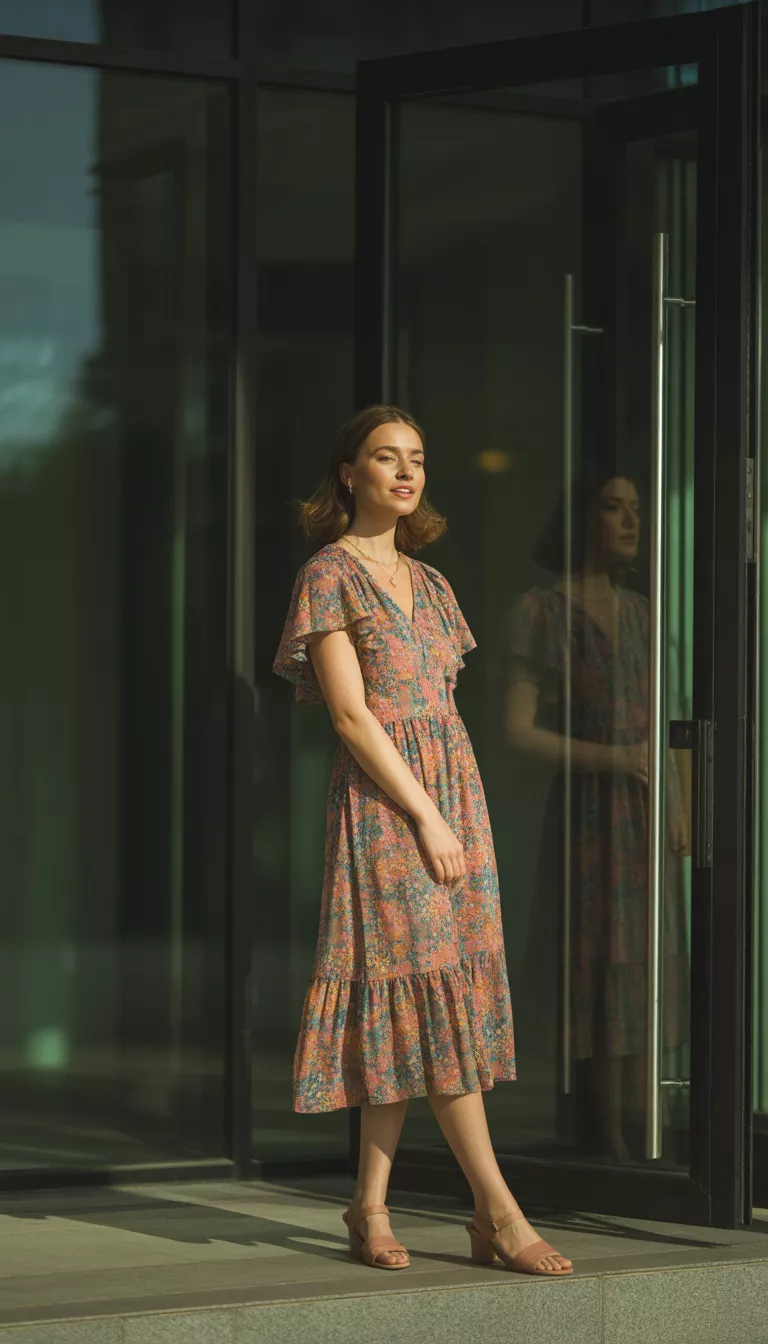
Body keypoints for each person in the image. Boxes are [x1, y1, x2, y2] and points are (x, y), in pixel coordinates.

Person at [272, 405, 573, 1275]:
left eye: (417, 459)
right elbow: (351, 717)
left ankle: (367, 1207)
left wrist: (453, 812)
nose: (405, 473)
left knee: (417, 995)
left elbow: (444, 711)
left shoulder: (434, 585)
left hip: (453, 798)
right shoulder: (328, 574)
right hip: (386, 807)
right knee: (431, 999)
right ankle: (499, 1211)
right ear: (348, 474)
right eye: (384, 458)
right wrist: (426, 816)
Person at [506, 463, 690, 1160]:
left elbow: (673, 719)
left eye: (635, 508)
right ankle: (607, 1135)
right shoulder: (542, 609)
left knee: (643, 957)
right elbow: (515, 729)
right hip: (588, 814)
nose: (631, 521)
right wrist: (616, 761)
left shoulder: (645, 612)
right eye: (614, 508)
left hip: (644, 814)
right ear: (584, 518)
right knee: (597, 956)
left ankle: (647, 1129)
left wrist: (683, 804)